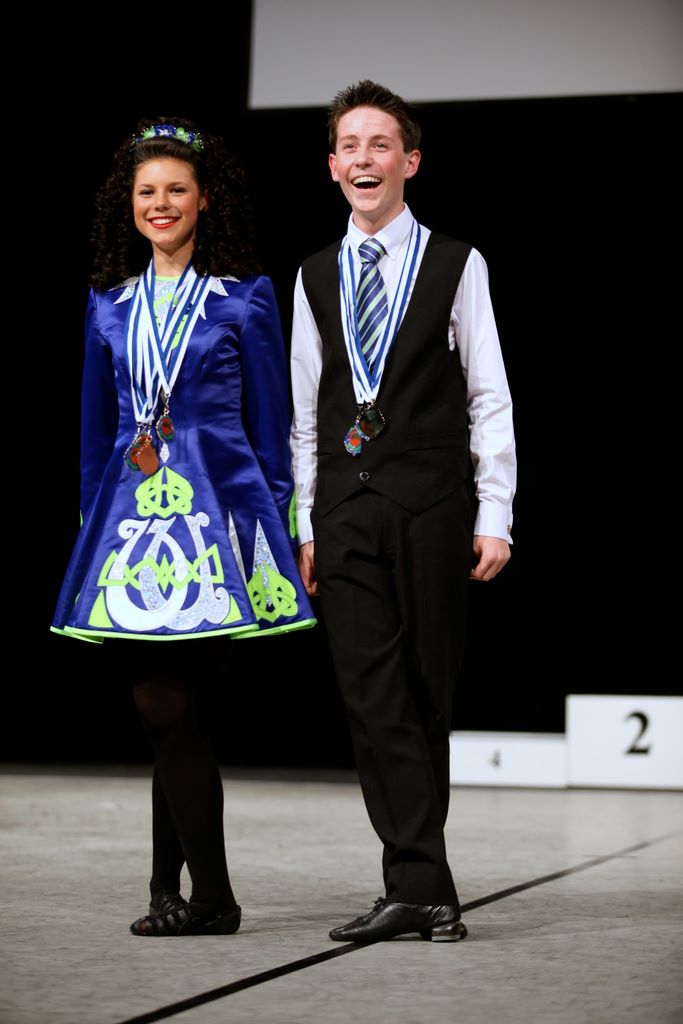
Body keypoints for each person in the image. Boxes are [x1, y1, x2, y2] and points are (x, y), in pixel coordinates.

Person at [52, 117, 315, 936]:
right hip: (129, 528)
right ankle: (173, 890)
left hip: (221, 525)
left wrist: (282, 531)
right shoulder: (108, 305)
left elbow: (270, 426)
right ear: (128, 204)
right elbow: (96, 432)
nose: (160, 203)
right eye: (146, 192)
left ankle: (208, 899)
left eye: (175, 190)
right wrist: (92, 531)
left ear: (205, 200)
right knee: (166, 713)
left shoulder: (244, 296)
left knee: (174, 712)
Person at [290, 81, 516, 943]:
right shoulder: (314, 274)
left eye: (379, 144)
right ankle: (420, 884)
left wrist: (495, 510)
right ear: (331, 167)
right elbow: (304, 411)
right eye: (349, 145)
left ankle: (417, 886)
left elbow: (488, 393)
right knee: (369, 697)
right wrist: (306, 521)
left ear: (409, 161)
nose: (363, 158)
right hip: (344, 510)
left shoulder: (457, 262)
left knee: (423, 696)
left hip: (431, 505)